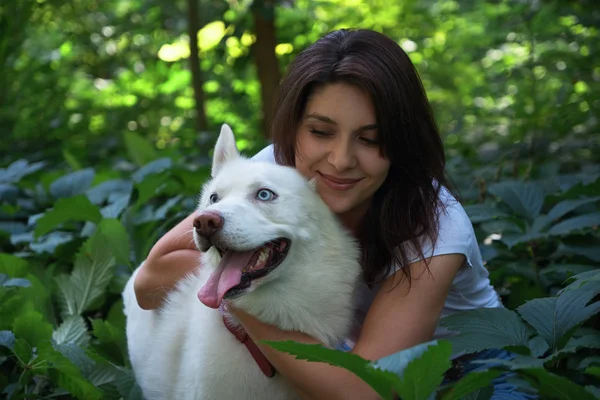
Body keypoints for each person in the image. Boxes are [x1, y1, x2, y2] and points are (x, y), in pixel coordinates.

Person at [133, 28, 535, 399]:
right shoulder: (275, 171)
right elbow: (151, 280)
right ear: (292, 129)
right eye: (321, 132)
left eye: (371, 138)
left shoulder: (434, 223)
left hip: (471, 371)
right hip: (347, 352)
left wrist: (235, 294)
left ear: (402, 142)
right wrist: (238, 281)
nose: (341, 160)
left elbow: (365, 389)